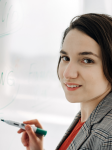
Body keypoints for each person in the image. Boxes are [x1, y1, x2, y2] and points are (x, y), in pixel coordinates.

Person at [17, 13, 112, 150]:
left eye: (87, 60)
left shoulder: (108, 137)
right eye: (65, 58)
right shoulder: (87, 118)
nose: (67, 73)